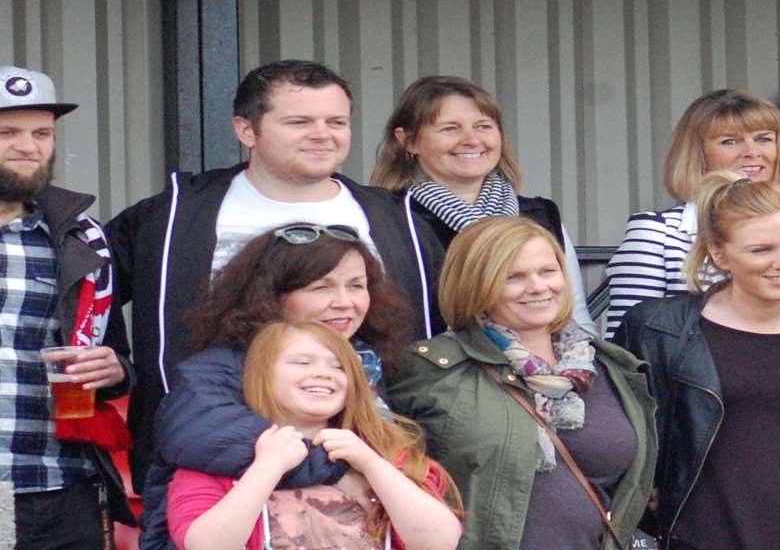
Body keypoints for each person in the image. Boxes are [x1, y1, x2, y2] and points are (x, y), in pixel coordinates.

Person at [108, 59, 443, 482]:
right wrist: (115, 364)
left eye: (336, 121)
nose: (323, 134)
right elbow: (81, 289)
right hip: (209, 460)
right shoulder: (173, 214)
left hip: (373, 458)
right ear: (246, 130)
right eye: (300, 121)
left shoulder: (399, 218)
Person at [614, 173, 780, 550]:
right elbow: (616, 432)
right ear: (718, 252)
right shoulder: (657, 330)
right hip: (705, 536)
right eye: (761, 249)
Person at [138, 223, 425, 550]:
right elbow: (219, 441)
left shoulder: (369, 365)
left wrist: (374, 466)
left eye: (357, 286)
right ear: (271, 297)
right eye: (321, 288)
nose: (345, 302)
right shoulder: (213, 371)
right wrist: (349, 467)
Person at [387, 217, 656, 550]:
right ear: (475, 285)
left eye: (548, 271)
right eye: (513, 277)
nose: (538, 287)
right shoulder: (430, 369)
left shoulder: (609, 366)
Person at [166, 321, 463, 550]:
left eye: (338, 367)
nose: (324, 373)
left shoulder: (388, 457)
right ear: (261, 375)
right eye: (302, 362)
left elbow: (439, 542)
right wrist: (266, 468)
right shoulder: (213, 463)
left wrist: (374, 465)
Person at [0, 65, 136, 548]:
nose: (28, 146)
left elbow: (116, 357)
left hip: (64, 483)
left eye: (42, 133)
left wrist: (114, 368)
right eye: (7, 132)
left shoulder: (82, 238)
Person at [603, 88, 780, 329]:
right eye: (730, 141)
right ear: (697, 154)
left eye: (763, 139)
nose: (752, 152)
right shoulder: (657, 232)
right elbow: (627, 349)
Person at [372, 75, 593, 331]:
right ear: (409, 141)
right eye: (450, 128)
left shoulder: (539, 215)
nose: (472, 140)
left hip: (538, 368)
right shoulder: (387, 219)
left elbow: (574, 314)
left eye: (483, 126)